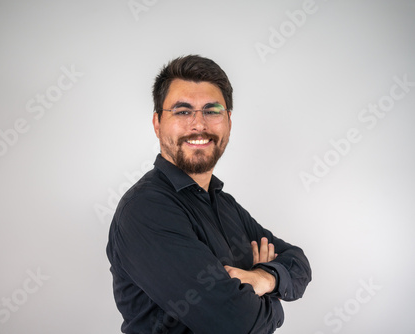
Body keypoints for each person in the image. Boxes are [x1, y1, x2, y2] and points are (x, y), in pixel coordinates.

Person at [106, 55, 312, 334]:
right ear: (157, 123)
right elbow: (237, 324)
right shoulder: (145, 209)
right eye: (182, 111)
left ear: (228, 121)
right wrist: (275, 305)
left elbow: (298, 262)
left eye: (212, 111)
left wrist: (265, 278)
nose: (199, 125)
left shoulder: (224, 204)